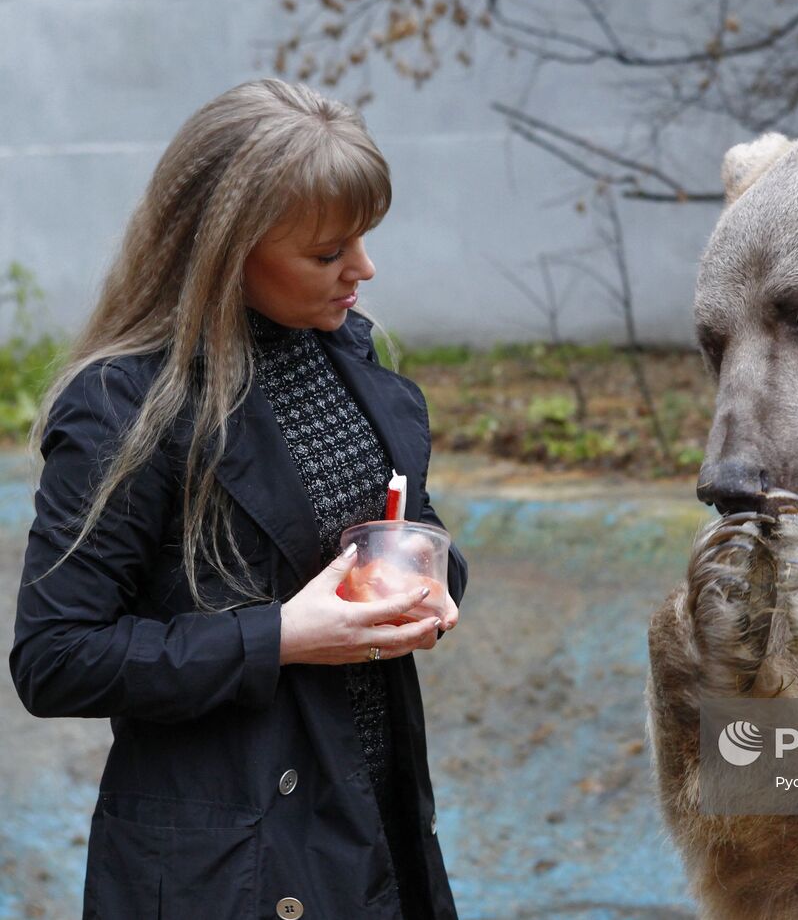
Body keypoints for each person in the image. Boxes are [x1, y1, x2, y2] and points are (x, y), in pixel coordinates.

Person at [9, 79, 467, 919]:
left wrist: (431, 576)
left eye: (362, 239)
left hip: (375, 823)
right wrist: (279, 637)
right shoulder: (123, 407)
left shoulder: (350, 361)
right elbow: (55, 657)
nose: (363, 270)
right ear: (224, 250)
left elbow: (406, 520)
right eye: (328, 254)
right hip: (227, 865)